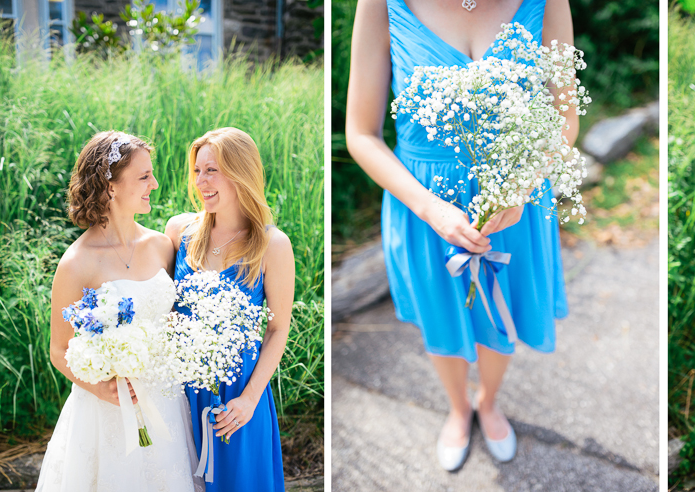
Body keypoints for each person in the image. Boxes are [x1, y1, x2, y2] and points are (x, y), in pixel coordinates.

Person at [346, 0, 577, 471]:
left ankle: (488, 402)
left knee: (503, 312)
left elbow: (564, 118)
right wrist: (429, 208)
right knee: (442, 316)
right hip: (423, 206)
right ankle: (457, 407)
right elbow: (361, 133)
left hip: (514, 204)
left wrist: (521, 187)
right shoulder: (382, 4)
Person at [37, 131, 202, 491]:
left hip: (166, 399)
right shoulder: (76, 263)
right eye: (144, 177)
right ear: (110, 185)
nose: (154, 184)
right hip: (108, 409)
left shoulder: (162, 246)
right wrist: (100, 388)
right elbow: (58, 349)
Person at [164, 127, 294, 491]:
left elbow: (278, 328)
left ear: (240, 173)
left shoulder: (272, 245)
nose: (201, 181)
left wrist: (249, 400)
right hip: (180, 389)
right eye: (197, 171)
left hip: (237, 395)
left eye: (212, 170)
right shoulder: (179, 231)